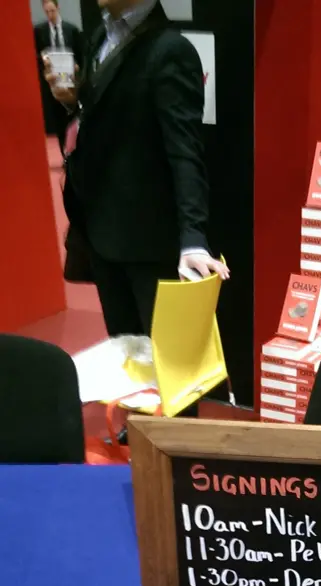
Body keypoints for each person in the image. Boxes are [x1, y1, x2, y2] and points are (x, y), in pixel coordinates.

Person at [45, 0, 229, 341]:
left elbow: (185, 149)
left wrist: (192, 240)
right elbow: (96, 121)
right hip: (101, 232)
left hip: (151, 243)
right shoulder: (99, 35)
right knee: (127, 359)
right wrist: (71, 101)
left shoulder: (170, 49)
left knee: (171, 365)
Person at [34, 0, 84, 157]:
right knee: (57, 118)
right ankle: (64, 154)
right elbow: (35, 54)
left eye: (52, 11)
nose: (50, 15)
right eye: (47, 11)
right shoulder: (40, 31)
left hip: (70, 78)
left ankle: (75, 151)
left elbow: (80, 53)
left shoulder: (71, 30)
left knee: (72, 117)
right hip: (52, 81)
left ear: (58, 8)